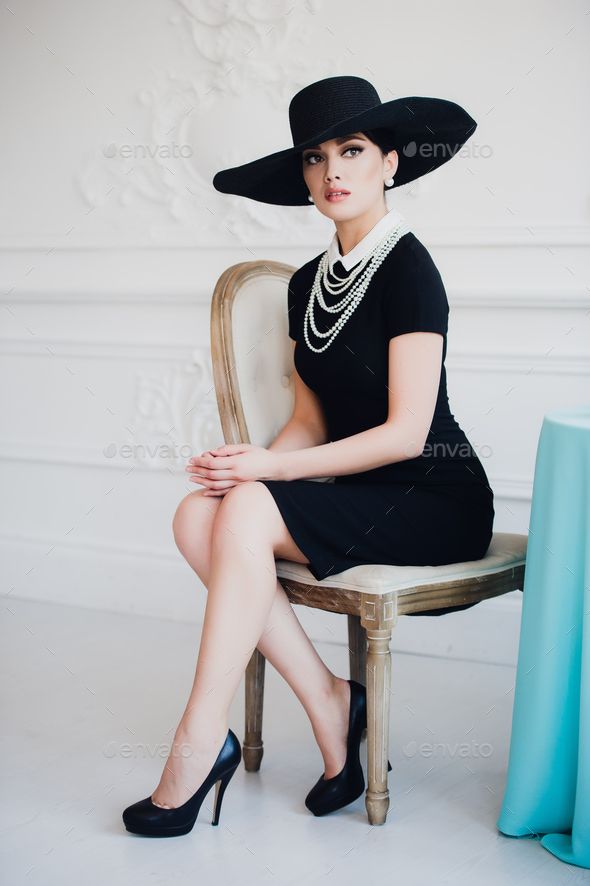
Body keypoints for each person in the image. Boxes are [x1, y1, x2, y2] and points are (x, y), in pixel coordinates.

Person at [122, 75, 494, 837]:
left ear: (390, 161)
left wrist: (269, 474)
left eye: (352, 150)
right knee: (200, 514)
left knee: (249, 502)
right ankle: (330, 699)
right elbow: (310, 420)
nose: (333, 172)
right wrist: (245, 462)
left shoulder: (412, 270)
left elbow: (407, 434)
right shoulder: (307, 285)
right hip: (361, 492)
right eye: (315, 157)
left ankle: (198, 743)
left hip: (434, 497)